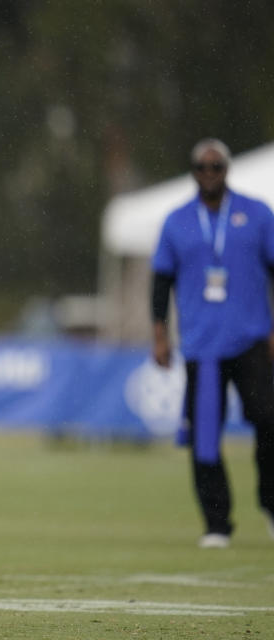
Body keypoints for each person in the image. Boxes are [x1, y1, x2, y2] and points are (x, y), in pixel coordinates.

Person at [151, 138, 274, 549]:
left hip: (251, 338)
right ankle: (217, 523)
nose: (209, 174)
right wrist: (159, 334)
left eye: (216, 166)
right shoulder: (177, 221)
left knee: (269, 424)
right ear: (193, 172)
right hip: (202, 345)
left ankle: (271, 506)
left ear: (227, 168)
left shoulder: (257, 215)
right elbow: (161, 281)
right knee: (204, 436)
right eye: (201, 167)